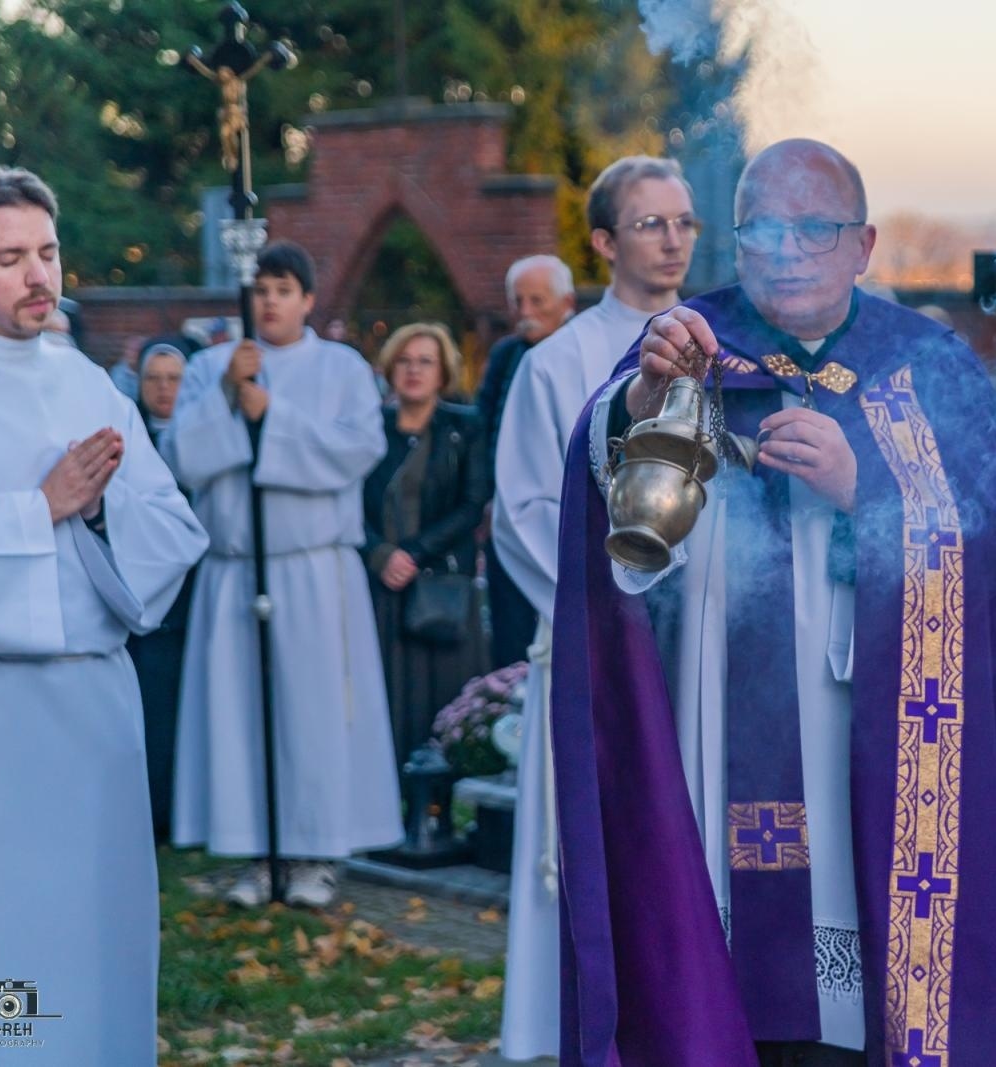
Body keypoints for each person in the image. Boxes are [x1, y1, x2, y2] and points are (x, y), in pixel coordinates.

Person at [549, 139, 996, 1066]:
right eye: (764, 228)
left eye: (815, 228)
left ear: (863, 245)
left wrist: (871, 490)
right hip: (720, 716)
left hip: (875, 732)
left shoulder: (925, 363)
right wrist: (646, 396)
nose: (788, 248)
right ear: (737, 242)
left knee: (857, 1002)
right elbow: (602, 503)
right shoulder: (691, 342)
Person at [0, 165, 207, 1065]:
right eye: (10, 258)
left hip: (96, 713)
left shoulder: (90, 387)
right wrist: (43, 507)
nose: (38, 277)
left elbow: (175, 530)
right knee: (2, 940)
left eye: (49, 253)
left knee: (92, 936)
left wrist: (100, 512)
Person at [491, 155, 699, 1062]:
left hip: (711, 646)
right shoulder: (557, 362)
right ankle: (575, 1028)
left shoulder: (718, 342)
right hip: (597, 642)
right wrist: (611, 601)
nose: (673, 239)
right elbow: (523, 511)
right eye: (651, 223)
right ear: (606, 241)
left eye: (685, 222)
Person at [164, 240, 402, 909]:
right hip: (236, 568)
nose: (269, 300)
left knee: (314, 711)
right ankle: (255, 851)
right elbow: (182, 456)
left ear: (307, 298)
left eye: (283, 288)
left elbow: (359, 449)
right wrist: (227, 396)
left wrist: (272, 414)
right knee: (242, 710)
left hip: (312, 569)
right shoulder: (212, 365)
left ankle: (314, 853)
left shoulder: (342, 367)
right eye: (260, 288)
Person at [363, 322, 491, 769]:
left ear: (443, 373)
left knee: (443, 697)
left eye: (425, 362)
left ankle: (442, 803)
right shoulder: (367, 429)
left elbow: (473, 504)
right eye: (404, 360)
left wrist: (412, 554)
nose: (414, 370)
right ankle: (389, 800)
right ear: (389, 368)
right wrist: (380, 555)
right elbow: (343, 501)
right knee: (384, 693)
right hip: (379, 584)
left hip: (442, 584)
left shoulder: (465, 428)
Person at [478, 254, 576, 667]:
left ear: (567, 302)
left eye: (537, 301)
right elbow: (485, 429)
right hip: (510, 516)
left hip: (566, 516)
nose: (525, 312)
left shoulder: (580, 352)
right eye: (518, 302)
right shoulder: (506, 356)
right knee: (512, 637)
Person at [129, 339, 197, 841]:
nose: (164, 389)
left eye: (174, 379)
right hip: (140, 598)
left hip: (195, 597)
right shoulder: (126, 436)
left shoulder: (201, 437)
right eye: (154, 378)